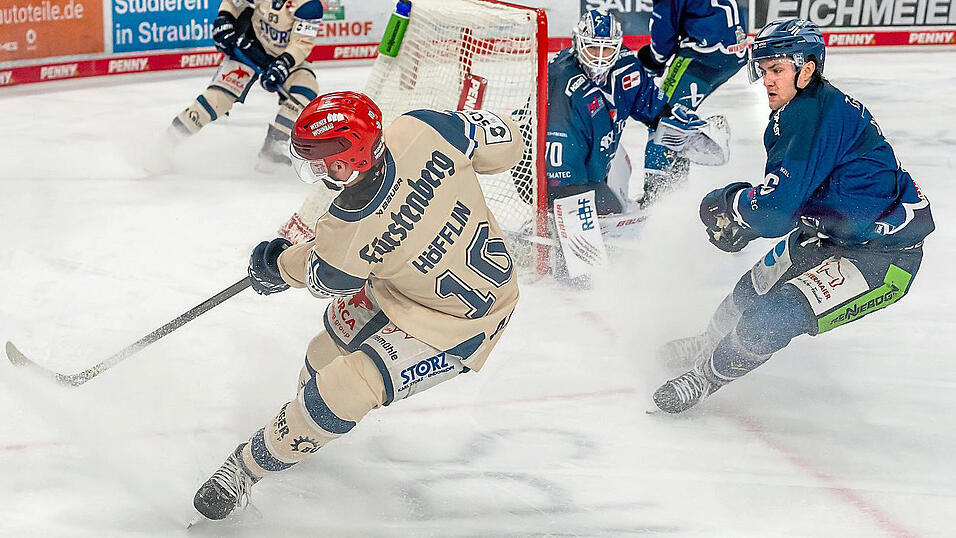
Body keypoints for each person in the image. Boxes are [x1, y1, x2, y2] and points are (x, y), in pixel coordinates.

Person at [192, 91, 523, 520]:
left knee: (348, 385)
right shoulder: (422, 128)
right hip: (408, 288)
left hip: (464, 323)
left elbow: (318, 272)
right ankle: (304, 428)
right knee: (323, 355)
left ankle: (245, 468)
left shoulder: (345, 230)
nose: (314, 172)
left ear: (348, 161)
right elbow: (509, 142)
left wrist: (274, 264)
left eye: (319, 163)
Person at [651, 18, 935, 414]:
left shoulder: (809, 114)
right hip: (833, 231)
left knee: (773, 315)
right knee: (753, 288)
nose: (767, 80)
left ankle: (705, 377)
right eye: (764, 70)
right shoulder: (805, 107)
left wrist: (731, 204)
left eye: (778, 70)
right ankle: (710, 339)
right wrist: (748, 219)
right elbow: (789, 201)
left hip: (884, 258)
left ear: (808, 69)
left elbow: (776, 210)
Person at [545, 9, 707, 216]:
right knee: (604, 207)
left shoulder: (626, 65)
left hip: (595, 162)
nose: (601, 58)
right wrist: (572, 202)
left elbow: (649, 104)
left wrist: (670, 119)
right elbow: (559, 154)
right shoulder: (561, 79)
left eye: (608, 49)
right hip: (554, 174)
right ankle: (549, 215)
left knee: (617, 198)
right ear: (578, 44)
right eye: (594, 48)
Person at [164, 0, 323, 171]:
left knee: (306, 87)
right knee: (215, 101)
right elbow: (232, 2)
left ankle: (275, 144)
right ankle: (166, 145)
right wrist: (224, 20)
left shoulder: (309, 5)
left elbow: (301, 43)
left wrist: (283, 64)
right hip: (249, 49)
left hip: (284, 59)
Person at [637, 0, 747, 204]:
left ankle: (655, 197)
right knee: (680, 115)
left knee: (662, 116)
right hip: (734, 53)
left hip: (704, 56)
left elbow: (663, 38)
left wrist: (654, 60)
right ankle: (676, 189)